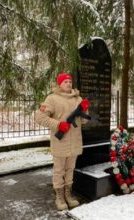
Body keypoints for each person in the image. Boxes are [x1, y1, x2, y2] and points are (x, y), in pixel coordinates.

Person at [35, 72, 89, 210]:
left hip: (75, 141)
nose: (68, 83)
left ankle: (68, 195)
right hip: (60, 142)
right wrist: (58, 125)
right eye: (65, 81)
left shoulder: (78, 99)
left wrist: (85, 110)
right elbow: (39, 117)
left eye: (70, 81)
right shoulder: (52, 99)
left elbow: (83, 121)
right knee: (59, 170)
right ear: (59, 84)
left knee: (70, 169)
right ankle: (59, 197)